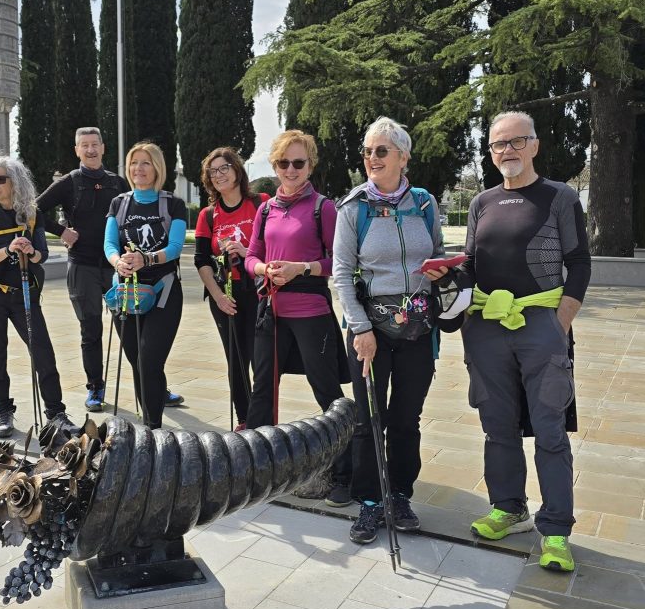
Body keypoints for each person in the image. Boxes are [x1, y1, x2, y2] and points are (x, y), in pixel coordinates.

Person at [461, 111, 590, 573]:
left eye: (517, 141)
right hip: (487, 328)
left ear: (535, 145)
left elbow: (579, 261)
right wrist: (450, 279)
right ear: (491, 152)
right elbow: (472, 263)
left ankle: (555, 530)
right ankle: (508, 508)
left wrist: (560, 321)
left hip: (540, 324)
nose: (507, 150)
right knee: (497, 425)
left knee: (550, 430)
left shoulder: (559, 197)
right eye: (498, 144)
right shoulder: (481, 203)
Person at [333, 117, 445, 544]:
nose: (372, 158)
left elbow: (436, 253)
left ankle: (399, 495)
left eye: (381, 151)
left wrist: (441, 273)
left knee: (405, 419)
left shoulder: (424, 203)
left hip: (417, 328)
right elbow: (341, 274)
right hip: (370, 331)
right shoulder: (354, 206)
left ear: (403, 156)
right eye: (367, 151)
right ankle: (368, 502)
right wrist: (360, 328)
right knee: (368, 419)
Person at [36, 127, 184, 412]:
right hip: (84, 266)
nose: (90, 150)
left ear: (103, 148)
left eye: (95, 144)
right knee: (91, 328)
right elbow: (34, 209)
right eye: (84, 145)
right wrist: (61, 232)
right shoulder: (69, 182)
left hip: (122, 271)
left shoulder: (119, 185)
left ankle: (154, 385)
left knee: (138, 338)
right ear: (76, 149)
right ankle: (95, 387)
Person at [244, 130, 350, 505]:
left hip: (310, 311)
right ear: (274, 165)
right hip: (270, 311)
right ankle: (254, 468)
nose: (291, 169)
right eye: (283, 163)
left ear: (310, 165)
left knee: (326, 392)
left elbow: (337, 263)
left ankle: (343, 472)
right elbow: (250, 256)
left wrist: (299, 268)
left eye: (298, 162)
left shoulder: (324, 208)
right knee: (262, 390)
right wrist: (263, 271)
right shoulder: (265, 208)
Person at [0, 155, 80, 439]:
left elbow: (41, 255)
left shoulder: (31, 214)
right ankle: (3, 413)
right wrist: (8, 249)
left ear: (15, 182)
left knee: (43, 352)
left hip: (23, 294)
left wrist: (29, 250)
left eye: (0, 179)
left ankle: (56, 413)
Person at [104, 141, 187, 429]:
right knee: (137, 363)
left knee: (149, 362)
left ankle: (153, 428)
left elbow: (176, 246)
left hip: (164, 293)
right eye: (134, 162)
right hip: (127, 294)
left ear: (157, 168)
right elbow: (109, 244)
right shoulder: (119, 203)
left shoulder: (173, 204)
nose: (138, 168)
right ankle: (148, 419)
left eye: (145, 162)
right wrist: (118, 262)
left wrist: (146, 259)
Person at [194, 148, 269, 431]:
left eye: (224, 167)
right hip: (225, 294)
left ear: (237, 170)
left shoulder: (261, 203)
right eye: (212, 171)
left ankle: (264, 417)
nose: (219, 175)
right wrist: (218, 296)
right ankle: (245, 419)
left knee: (262, 359)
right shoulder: (208, 215)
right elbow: (201, 260)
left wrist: (247, 251)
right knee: (236, 359)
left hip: (259, 290)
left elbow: (275, 246)